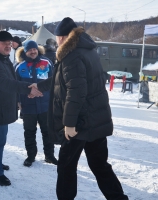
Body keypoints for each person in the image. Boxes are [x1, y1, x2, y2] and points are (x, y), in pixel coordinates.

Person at [34, 17, 129, 200]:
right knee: (100, 165)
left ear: (64, 37)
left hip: (80, 123)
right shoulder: (87, 50)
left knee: (66, 166)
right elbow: (63, 80)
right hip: (95, 119)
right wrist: (39, 86)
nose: (57, 41)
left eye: (59, 37)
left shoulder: (72, 56)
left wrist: (69, 124)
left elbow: (76, 92)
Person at [0, 31, 43, 186]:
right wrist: (28, 89)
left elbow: (13, 79)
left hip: (3, 106)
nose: (8, 46)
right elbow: (5, 83)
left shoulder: (2, 58)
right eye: (4, 44)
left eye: (10, 43)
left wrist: (20, 97)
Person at [15, 40, 57, 167]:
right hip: (28, 106)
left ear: (37, 49)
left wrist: (41, 92)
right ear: (25, 52)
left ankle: (49, 156)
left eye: (34, 49)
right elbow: (15, 85)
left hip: (45, 105)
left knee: (48, 131)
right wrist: (18, 101)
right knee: (29, 132)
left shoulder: (47, 63)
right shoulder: (19, 67)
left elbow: (54, 81)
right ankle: (31, 156)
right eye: (29, 50)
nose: (32, 52)